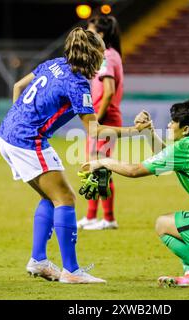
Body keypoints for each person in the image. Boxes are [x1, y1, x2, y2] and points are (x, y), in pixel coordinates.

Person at [0, 27, 149, 284]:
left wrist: (17, 118)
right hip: (27, 141)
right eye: (101, 54)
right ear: (92, 56)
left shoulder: (55, 63)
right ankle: (71, 271)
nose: (103, 59)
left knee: (51, 196)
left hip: (7, 133)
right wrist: (136, 131)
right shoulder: (78, 83)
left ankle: (39, 261)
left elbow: (18, 85)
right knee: (65, 197)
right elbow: (94, 129)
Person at [83, 100, 189, 287]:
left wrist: (104, 161)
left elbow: (134, 171)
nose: (168, 125)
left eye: (173, 122)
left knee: (163, 225)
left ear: (185, 129)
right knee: (182, 226)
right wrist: (148, 132)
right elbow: (168, 159)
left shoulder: (182, 149)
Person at [77, 15, 124, 231]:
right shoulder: (107, 55)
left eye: (91, 30)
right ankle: (91, 216)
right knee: (94, 168)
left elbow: (109, 92)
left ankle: (109, 218)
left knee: (101, 169)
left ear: (101, 34)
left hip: (104, 119)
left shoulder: (107, 57)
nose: (88, 33)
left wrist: (97, 118)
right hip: (101, 119)